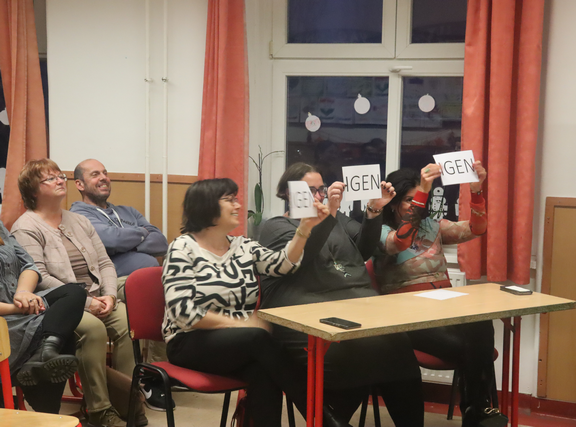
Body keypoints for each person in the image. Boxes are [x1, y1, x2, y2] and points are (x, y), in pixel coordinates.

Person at [163, 178, 349, 427]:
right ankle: (326, 420)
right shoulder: (182, 248)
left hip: (241, 342)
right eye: (230, 200)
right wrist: (239, 325)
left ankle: (325, 419)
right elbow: (183, 313)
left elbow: (283, 264)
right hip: (188, 341)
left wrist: (304, 229)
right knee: (259, 339)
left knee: (263, 371)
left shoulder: (243, 246)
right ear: (206, 205)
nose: (238, 205)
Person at [258, 162, 425, 426]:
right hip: (303, 312)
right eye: (310, 190)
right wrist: (329, 214)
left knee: (398, 346)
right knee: (356, 352)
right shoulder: (276, 226)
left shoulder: (339, 220)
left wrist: (374, 210)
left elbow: (364, 250)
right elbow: (299, 259)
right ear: (288, 193)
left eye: (321, 189)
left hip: (354, 306)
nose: (318, 195)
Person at [374, 163, 508, 427]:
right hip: (407, 315)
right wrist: (424, 190)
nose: (415, 205)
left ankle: (474, 409)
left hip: (444, 306)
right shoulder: (379, 230)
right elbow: (398, 243)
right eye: (409, 199)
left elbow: (477, 228)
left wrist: (476, 190)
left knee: (481, 321)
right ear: (393, 202)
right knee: (474, 350)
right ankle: (476, 409)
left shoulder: (432, 226)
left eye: (418, 198)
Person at [11, 159, 142, 427]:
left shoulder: (79, 220)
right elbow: (39, 278)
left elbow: (105, 263)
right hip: (60, 305)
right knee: (93, 329)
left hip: (99, 296)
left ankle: (128, 402)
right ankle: (100, 411)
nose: (61, 180)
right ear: (33, 190)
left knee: (128, 320)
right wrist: (87, 303)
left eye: (60, 175)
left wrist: (109, 296)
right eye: (50, 178)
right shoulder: (26, 227)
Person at [70, 158, 170, 411]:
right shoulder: (79, 214)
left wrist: (126, 241)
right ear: (80, 184)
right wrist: (141, 233)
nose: (103, 177)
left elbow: (160, 242)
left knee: (168, 291)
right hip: (113, 284)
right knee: (158, 295)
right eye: (95, 174)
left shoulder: (128, 212)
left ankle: (156, 373)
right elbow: (109, 240)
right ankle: (146, 380)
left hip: (146, 282)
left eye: (105, 173)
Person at [0, 221, 85, 414]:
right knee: (64, 337)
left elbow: (29, 265)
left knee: (74, 293)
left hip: (21, 306)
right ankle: (48, 412)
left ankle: (43, 354)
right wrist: (17, 308)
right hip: (5, 322)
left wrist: (23, 292)